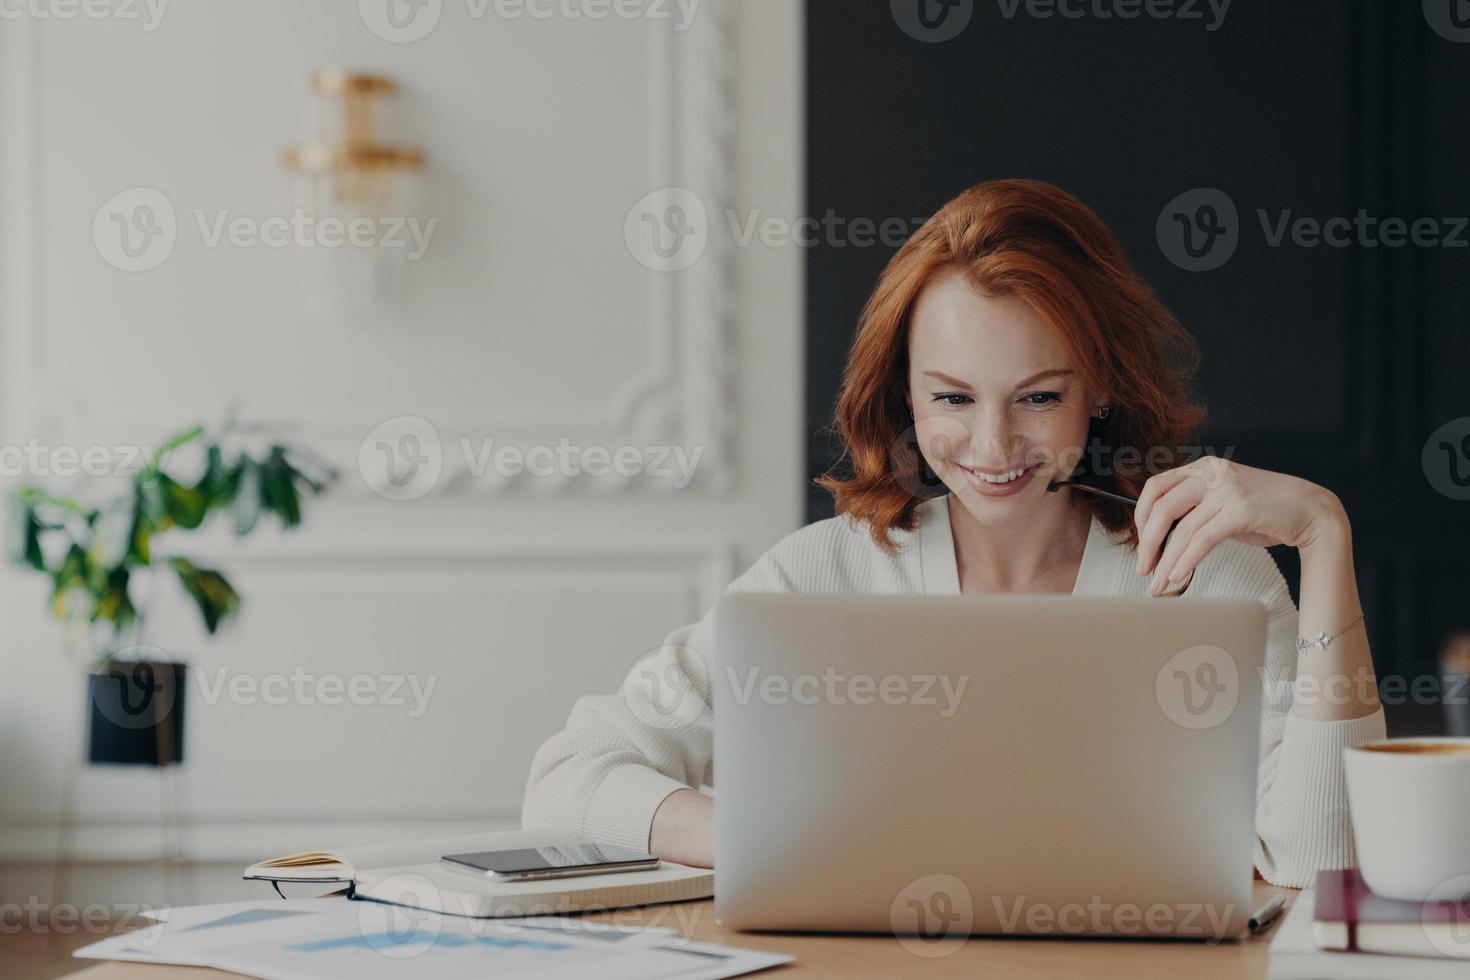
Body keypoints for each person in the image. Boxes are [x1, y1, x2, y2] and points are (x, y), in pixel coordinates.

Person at [522, 178, 1385, 887]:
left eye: (1039, 397)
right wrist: (786, 840)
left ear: (1101, 388)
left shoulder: (1212, 580)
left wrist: (1323, 533)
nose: (995, 447)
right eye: (952, 398)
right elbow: (570, 778)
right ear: (904, 395)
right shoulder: (824, 574)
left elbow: (1326, 862)